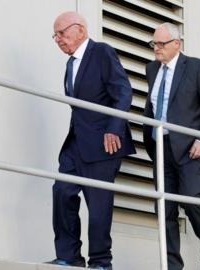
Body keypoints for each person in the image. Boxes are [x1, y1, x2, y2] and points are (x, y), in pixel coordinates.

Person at [47, 11, 136, 270]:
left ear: (81, 30)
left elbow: (122, 90)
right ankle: (69, 256)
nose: (58, 39)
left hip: (104, 142)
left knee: (98, 205)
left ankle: (100, 261)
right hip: (76, 142)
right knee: (62, 192)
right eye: (55, 35)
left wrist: (114, 129)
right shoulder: (70, 64)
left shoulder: (101, 52)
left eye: (62, 33)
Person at [142, 22, 200, 270]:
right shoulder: (151, 69)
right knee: (164, 208)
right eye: (153, 43)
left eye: (161, 44)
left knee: (190, 200)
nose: (156, 48)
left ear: (176, 44)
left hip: (190, 148)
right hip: (161, 146)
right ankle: (172, 265)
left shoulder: (196, 67)